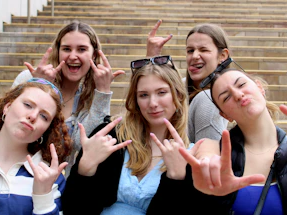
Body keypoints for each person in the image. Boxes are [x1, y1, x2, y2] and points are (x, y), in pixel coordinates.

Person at [61, 56, 206, 215]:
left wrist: (175, 177)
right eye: (143, 95)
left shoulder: (189, 156)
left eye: (161, 92)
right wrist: (84, 169)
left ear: (178, 95)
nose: (152, 103)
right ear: (135, 100)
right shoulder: (110, 137)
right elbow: (72, 209)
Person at [179, 68, 287, 214]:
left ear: (259, 87)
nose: (238, 95)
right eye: (226, 97)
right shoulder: (217, 153)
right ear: (225, 115)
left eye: (241, 84)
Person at [12, 20, 125, 176]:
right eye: (66, 49)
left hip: (60, 182)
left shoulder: (93, 94)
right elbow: (9, 125)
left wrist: (103, 92)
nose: (73, 56)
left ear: (94, 54)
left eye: (82, 49)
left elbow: (83, 144)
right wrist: (40, 87)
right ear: (57, 52)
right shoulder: (29, 78)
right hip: (17, 169)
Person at [0, 78, 72, 215]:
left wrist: (43, 196)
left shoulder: (50, 178)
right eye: (28, 105)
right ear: (7, 107)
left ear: (46, 129)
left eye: (44, 116)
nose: (33, 116)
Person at [146, 20, 229, 143]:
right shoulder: (179, 86)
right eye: (190, 50)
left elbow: (207, 157)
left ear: (222, 56)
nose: (195, 56)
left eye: (203, 50)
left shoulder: (208, 99)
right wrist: (151, 58)